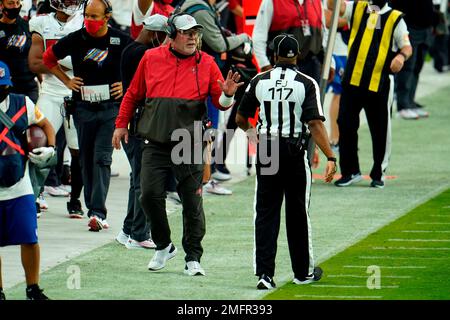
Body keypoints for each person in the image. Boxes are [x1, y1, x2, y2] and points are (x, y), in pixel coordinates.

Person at [112, 13, 243, 275]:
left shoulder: (207, 63)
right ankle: (164, 245)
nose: (193, 37)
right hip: (155, 141)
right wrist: (120, 124)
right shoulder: (150, 58)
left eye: (195, 33)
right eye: (187, 33)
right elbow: (133, 94)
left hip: (190, 142)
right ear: (171, 36)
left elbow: (220, 102)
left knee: (192, 204)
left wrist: (228, 95)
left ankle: (193, 257)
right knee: (148, 195)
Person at [235, 34, 337, 290]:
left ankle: (265, 274)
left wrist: (255, 140)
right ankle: (302, 272)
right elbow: (314, 123)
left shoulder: (260, 80)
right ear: (298, 56)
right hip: (294, 149)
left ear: (273, 55)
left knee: (266, 212)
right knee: (297, 213)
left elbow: (240, 117)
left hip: (268, 147)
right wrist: (331, 156)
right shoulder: (306, 82)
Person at [42, 0, 132, 231]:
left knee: (102, 158)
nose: (90, 21)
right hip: (83, 108)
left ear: (107, 16)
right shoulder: (76, 38)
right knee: (86, 159)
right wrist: (67, 80)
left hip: (111, 108)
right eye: (87, 16)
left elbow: (141, 64)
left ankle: (98, 212)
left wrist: (125, 84)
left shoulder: (120, 39)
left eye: (95, 17)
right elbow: (48, 59)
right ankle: (93, 206)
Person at [329, 0, 412, 188]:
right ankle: (350, 171)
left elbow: (406, 46)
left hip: (379, 82)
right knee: (345, 123)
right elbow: (335, 7)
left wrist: (400, 56)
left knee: (380, 129)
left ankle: (378, 173)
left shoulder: (395, 18)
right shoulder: (358, 7)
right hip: (352, 80)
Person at [179, 0, 251, 193]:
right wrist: (243, 37)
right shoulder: (200, 10)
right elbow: (219, 44)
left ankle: (201, 177)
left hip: (195, 77)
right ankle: (204, 179)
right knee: (207, 129)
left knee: (203, 130)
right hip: (200, 79)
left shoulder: (195, 6)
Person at [0, 61, 55, 300]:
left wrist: (50, 147)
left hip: (19, 184)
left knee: (29, 238)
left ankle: (33, 288)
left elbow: (45, 125)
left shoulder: (22, 102)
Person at [115, 14, 168, 249]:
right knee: (143, 181)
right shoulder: (143, 54)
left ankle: (128, 229)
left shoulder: (130, 49)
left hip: (132, 122)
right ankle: (139, 232)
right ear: (157, 35)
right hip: (138, 124)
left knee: (137, 179)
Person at [28, 0, 85, 218]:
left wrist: (52, 61)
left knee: (77, 150)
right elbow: (34, 63)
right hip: (51, 93)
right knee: (38, 144)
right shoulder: (41, 23)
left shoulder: (84, 21)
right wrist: (68, 64)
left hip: (78, 92)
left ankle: (75, 199)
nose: (71, 2)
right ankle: (35, 195)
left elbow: (88, 61)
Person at [390, 0, 435, 120]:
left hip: (426, 28)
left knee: (417, 68)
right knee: (407, 68)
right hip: (410, 27)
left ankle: (410, 102)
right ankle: (402, 106)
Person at [0, 0, 39, 102]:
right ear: (1, 5)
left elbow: (35, 57)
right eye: (11, 3)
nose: (15, 6)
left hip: (28, 87)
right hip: (5, 87)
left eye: (17, 3)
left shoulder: (28, 26)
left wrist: (41, 81)